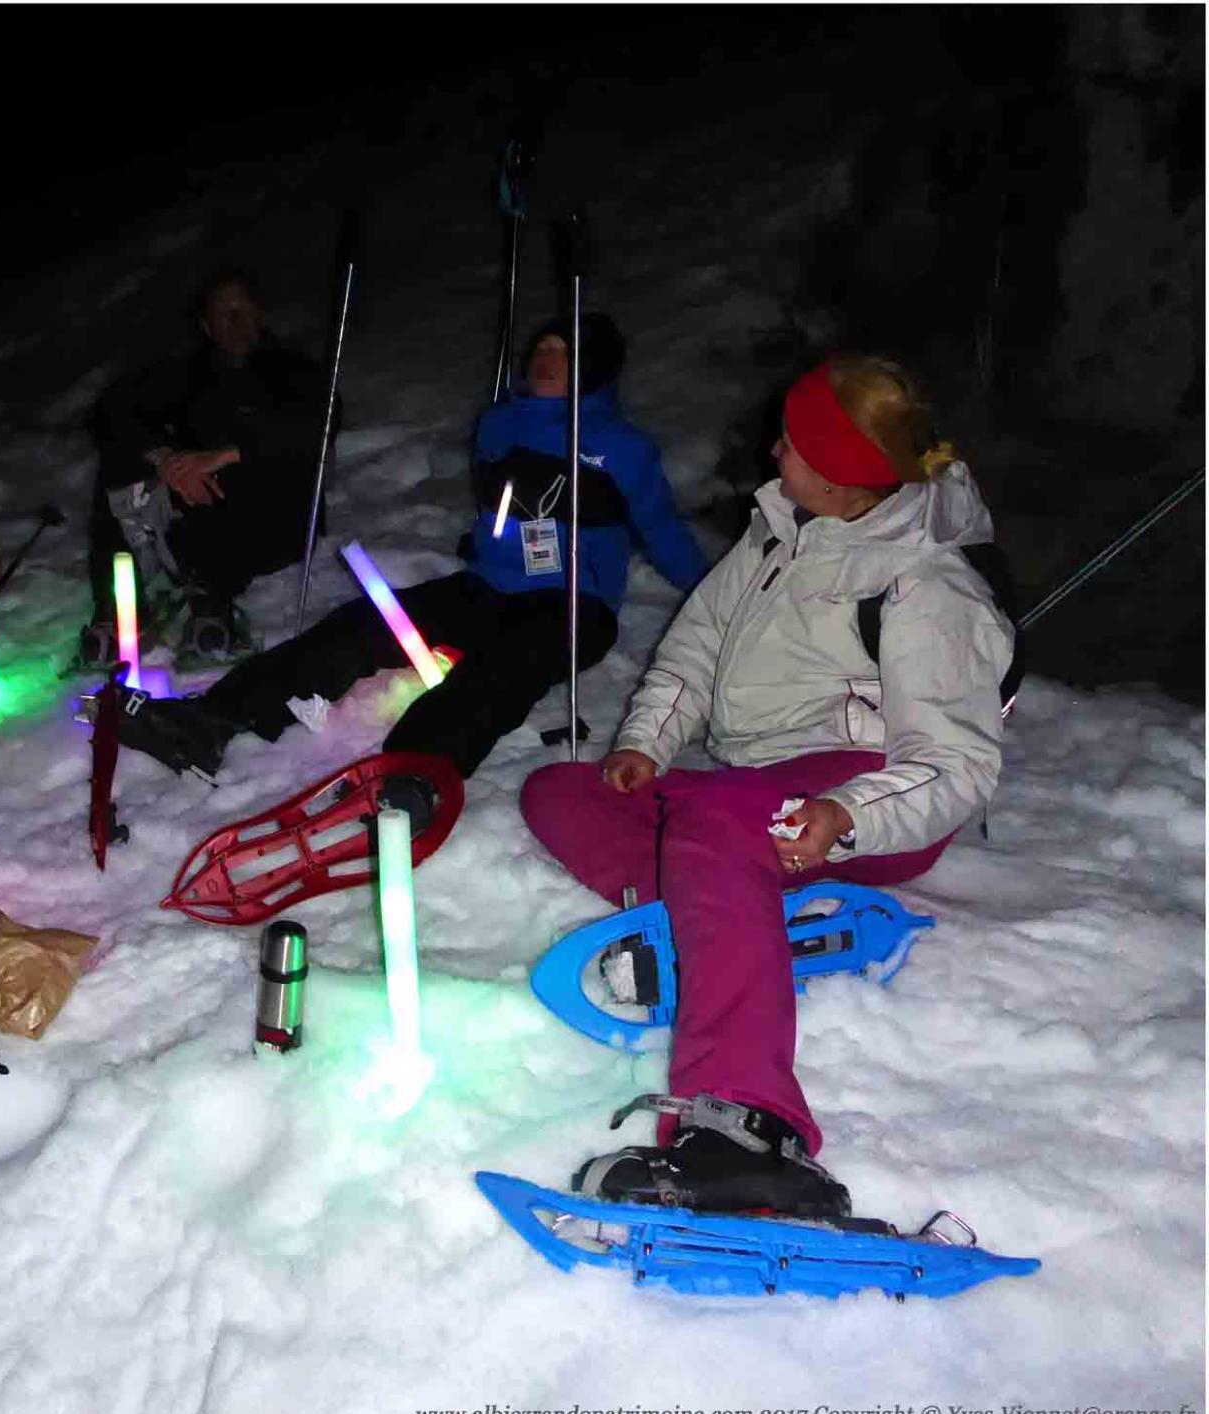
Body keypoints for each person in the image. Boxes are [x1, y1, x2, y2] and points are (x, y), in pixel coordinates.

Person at [521, 355, 1015, 1217]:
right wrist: (646, 738)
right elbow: (697, 643)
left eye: (794, 442)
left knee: (710, 823)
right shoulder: (779, 525)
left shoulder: (925, 586)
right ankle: (721, 920)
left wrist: (847, 814)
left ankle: (750, 1127)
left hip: (870, 796)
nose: (774, 447)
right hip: (759, 791)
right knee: (559, 792)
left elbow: (957, 765)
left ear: (845, 476)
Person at [109, 314, 707, 787]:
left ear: (594, 369)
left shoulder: (622, 446)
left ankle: (411, 774)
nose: (544, 360)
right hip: (487, 589)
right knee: (363, 625)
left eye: (562, 352)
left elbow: (664, 533)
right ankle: (215, 720)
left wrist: (716, 595)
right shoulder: (502, 424)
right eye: (541, 349)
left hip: (575, 604)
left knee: (494, 677)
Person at [81, 267, 340, 666]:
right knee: (122, 461)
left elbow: (320, 424)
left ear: (261, 313)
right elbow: (110, 411)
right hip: (196, 520)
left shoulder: (294, 374)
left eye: (245, 309)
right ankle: (116, 608)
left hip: (276, 520)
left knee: (220, 472)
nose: (239, 321)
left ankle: (212, 605)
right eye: (226, 313)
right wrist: (164, 458)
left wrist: (227, 454)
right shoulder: (189, 376)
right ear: (206, 325)